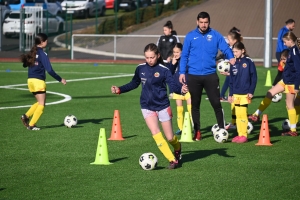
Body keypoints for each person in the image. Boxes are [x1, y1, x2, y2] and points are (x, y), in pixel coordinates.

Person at [111, 43, 188, 169]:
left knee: (170, 138)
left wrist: (181, 90)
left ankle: (178, 148)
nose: (149, 60)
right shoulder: (140, 68)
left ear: (157, 55)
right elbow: (134, 83)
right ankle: (172, 160)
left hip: (163, 105)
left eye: (152, 57)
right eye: (147, 57)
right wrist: (119, 89)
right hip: (146, 106)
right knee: (155, 133)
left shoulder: (164, 69)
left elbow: (173, 86)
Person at [179, 11, 235, 141]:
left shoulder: (215, 35)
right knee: (195, 104)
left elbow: (226, 49)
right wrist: (182, 72)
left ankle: (222, 129)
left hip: (210, 75)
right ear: (197, 22)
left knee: (216, 102)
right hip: (193, 75)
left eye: (206, 22)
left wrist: (231, 57)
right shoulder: (190, 36)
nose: (203, 25)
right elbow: (184, 56)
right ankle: (197, 131)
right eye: (201, 22)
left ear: (209, 22)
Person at [249, 32, 300, 136]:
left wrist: (296, 86)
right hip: (285, 80)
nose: (284, 44)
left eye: (285, 42)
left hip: (291, 82)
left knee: (290, 104)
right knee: (270, 93)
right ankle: (256, 115)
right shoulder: (291, 51)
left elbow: (299, 70)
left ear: (290, 41)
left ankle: (293, 131)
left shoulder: (295, 52)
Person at [20, 33, 67, 130]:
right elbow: (49, 70)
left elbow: (25, 65)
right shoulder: (42, 54)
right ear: (42, 42)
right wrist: (60, 79)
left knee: (40, 102)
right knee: (42, 104)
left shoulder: (32, 52)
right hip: (38, 81)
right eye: (46, 40)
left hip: (30, 81)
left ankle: (26, 116)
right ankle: (32, 125)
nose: (47, 42)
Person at [228, 42, 257, 143]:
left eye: (236, 51)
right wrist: (230, 94)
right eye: (233, 52)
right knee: (237, 115)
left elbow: (254, 77)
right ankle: (239, 134)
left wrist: (251, 91)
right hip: (236, 93)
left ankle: (244, 135)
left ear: (243, 50)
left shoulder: (249, 62)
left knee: (243, 114)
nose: (234, 53)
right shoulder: (233, 63)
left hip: (245, 93)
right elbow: (231, 80)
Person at [217, 27, 243, 130]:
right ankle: (234, 122)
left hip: (238, 79)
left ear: (235, 40)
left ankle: (239, 123)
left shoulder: (237, 51)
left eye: (229, 39)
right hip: (233, 77)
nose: (228, 41)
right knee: (232, 100)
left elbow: (239, 66)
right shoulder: (232, 49)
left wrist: (230, 72)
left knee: (236, 101)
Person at [167, 43, 193, 135]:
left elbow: (191, 73)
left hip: (187, 89)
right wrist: (172, 64)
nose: (175, 54)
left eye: (177, 52)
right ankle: (181, 128)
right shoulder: (173, 61)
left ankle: (194, 127)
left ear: (182, 52)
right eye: (174, 52)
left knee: (191, 109)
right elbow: (169, 74)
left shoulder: (186, 60)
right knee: (179, 110)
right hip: (177, 89)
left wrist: (188, 85)